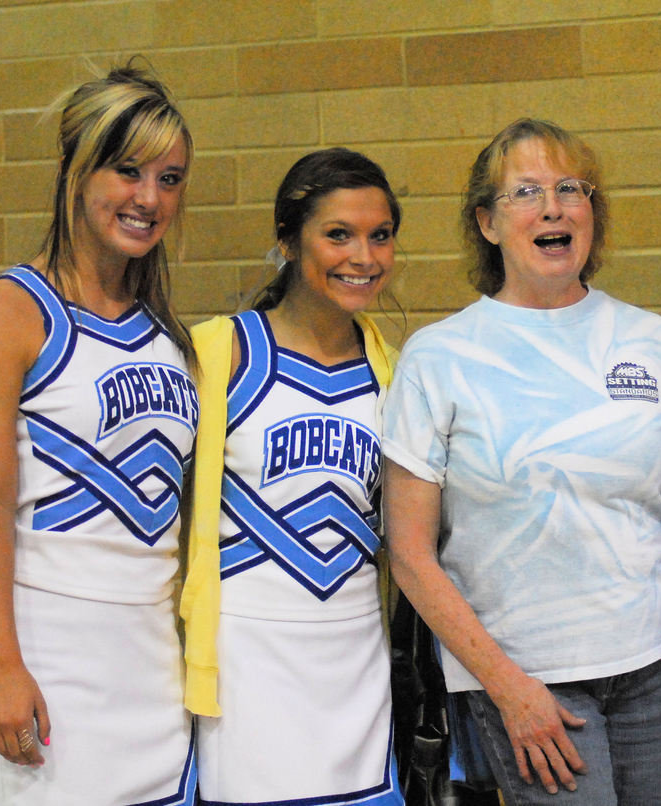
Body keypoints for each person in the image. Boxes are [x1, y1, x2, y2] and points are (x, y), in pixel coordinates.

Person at [381, 118, 661, 805]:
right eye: (526, 192)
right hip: (526, 678)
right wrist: (506, 686)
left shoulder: (657, 343)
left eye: (569, 189)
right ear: (487, 223)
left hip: (651, 667)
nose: (553, 207)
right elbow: (408, 553)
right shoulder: (439, 357)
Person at [0, 63, 198, 803]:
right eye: (128, 171)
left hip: (154, 666)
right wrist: (2, 667)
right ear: (75, 169)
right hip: (48, 660)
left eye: (171, 177)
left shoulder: (166, 333)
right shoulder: (4, 314)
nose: (150, 199)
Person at [180, 148, 404, 804]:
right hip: (245, 672)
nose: (363, 256)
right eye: (338, 234)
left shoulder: (395, 372)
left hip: (357, 669)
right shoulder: (216, 352)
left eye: (380, 235)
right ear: (287, 241)